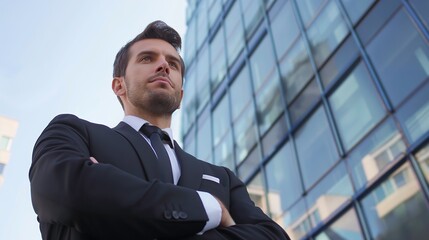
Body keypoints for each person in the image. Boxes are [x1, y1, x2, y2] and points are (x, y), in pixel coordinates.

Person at [29, 20, 290, 240]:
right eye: (147, 58)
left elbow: (273, 236)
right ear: (119, 86)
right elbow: (67, 194)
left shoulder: (222, 178)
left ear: (181, 94)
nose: (164, 65)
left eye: (173, 64)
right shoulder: (73, 132)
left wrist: (110, 199)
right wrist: (210, 210)